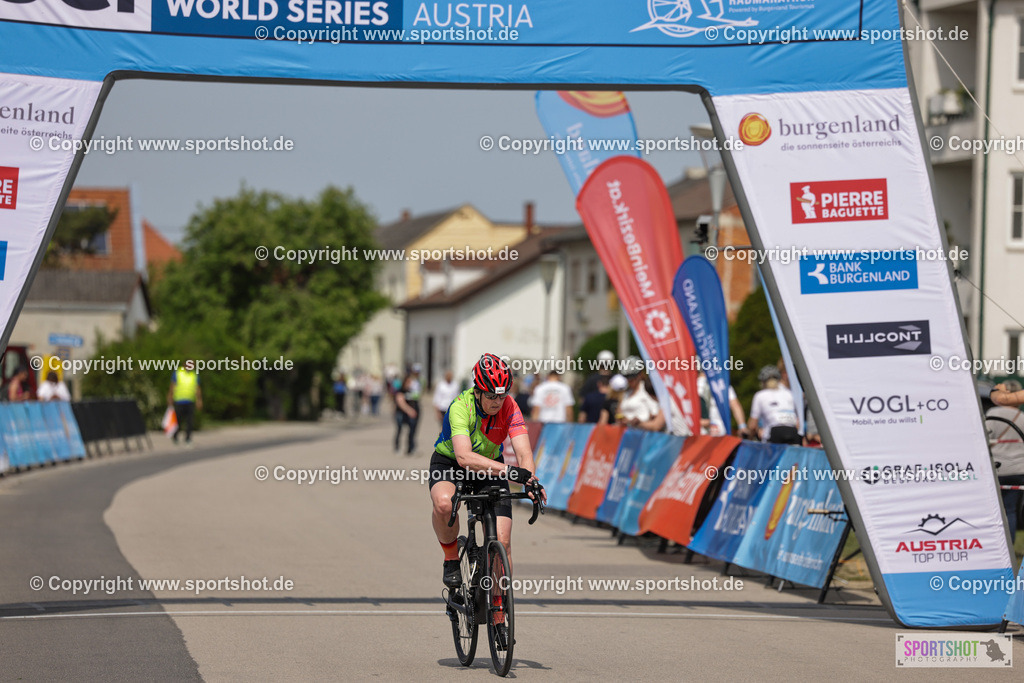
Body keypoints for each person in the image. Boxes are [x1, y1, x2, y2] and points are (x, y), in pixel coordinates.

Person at [428, 354, 545, 602]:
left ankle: (500, 609)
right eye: (491, 396)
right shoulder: (460, 407)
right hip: (451, 463)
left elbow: (524, 452)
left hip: (491, 468)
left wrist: (531, 480)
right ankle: (450, 558)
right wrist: (512, 473)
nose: (497, 402)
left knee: (503, 540)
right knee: (444, 504)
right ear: (478, 391)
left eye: (501, 396)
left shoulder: (510, 406)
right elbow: (464, 457)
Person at [987, 379, 1024, 535]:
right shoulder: (1022, 416)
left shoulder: (992, 414)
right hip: (1018, 469)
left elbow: (983, 439)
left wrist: (995, 390)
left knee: (993, 511)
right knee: (1011, 510)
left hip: (996, 469)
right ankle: (1011, 546)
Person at [747, 365, 800, 444]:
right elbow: (798, 420)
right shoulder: (789, 394)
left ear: (763, 382)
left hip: (773, 433)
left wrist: (749, 438)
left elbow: (752, 425)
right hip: (792, 432)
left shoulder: (760, 395)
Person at [617, 357, 665, 432]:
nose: (629, 381)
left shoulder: (646, 390)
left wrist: (638, 421)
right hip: (628, 435)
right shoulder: (627, 393)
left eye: (632, 378)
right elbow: (620, 410)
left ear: (639, 375)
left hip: (643, 434)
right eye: (627, 378)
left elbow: (655, 414)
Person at [168, 366, 202, 446]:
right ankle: (175, 437)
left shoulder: (194, 374)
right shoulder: (178, 373)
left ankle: (188, 438)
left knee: (189, 421)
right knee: (178, 420)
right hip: (179, 400)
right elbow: (172, 385)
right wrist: (170, 397)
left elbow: (197, 388)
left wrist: (199, 400)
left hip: (190, 400)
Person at [394, 372, 420, 455]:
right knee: (400, 430)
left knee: (412, 431)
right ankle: (397, 448)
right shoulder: (401, 390)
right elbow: (401, 402)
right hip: (401, 413)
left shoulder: (411, 391)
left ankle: (411, 448)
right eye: (409, 382)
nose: (410, 384)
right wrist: (409, 411)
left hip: (410, 414)